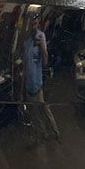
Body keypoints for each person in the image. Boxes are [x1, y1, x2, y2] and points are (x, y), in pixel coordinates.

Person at [24, 10, 60, 140]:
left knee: (44, 109)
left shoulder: (41, 36)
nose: (33, 26)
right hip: (28, 82)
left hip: (37, 82)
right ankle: (43, 133)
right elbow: (26, 62)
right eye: (31, 24)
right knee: (34, 112)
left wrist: (43, 48)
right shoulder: (27, 41)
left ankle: (55, 133)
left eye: (35, 24)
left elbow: (45, 62)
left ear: (38, 24)